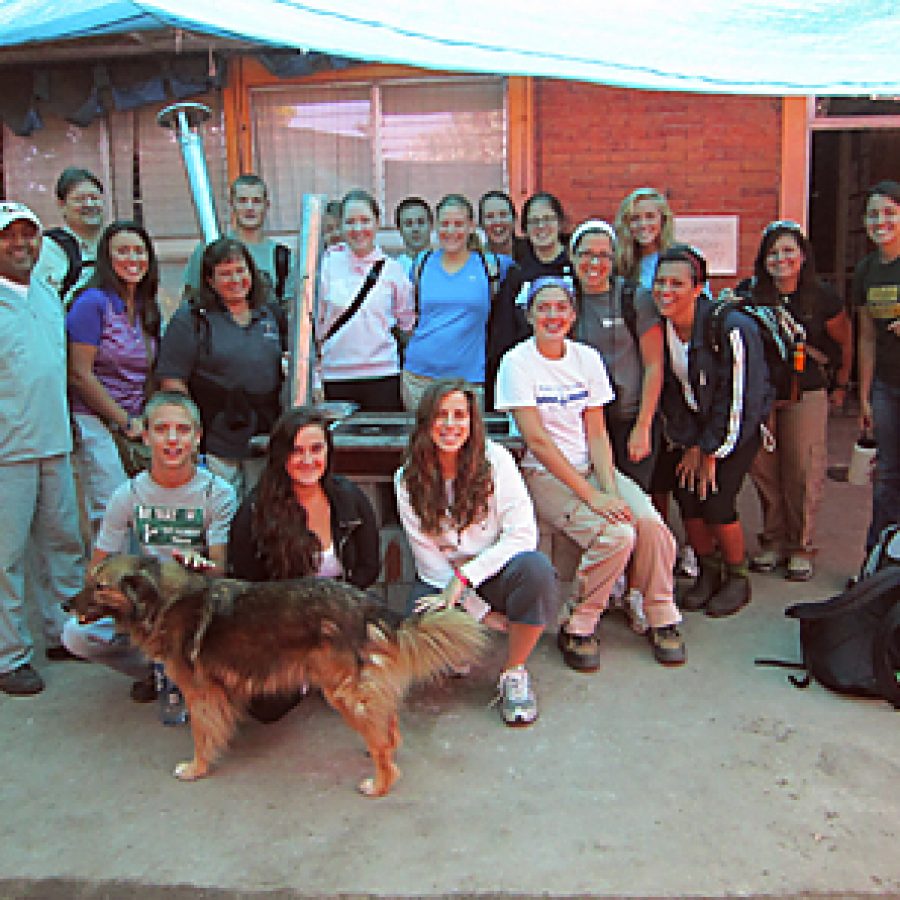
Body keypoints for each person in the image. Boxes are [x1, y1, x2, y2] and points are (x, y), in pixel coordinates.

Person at [495, 277, 685, 671]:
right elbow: (538, 441)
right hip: (544, 475)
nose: (553, 316)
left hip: (594, 469)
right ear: (529, 314)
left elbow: (596, 431)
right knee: (616, 535)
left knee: (649, 524)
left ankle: (659, 611)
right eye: (543, 308)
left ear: (573, 314)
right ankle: (578, 621)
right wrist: (593, 498)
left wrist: (611, 489)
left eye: (561, 308)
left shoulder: (586, 358)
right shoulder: (517, 362)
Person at [395, 379, 558, 725]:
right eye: (441, 415)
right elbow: (430, 565)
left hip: (492, 571)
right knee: (422, 623)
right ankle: (467, 641)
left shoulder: (495, 460)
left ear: (472, 422)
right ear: (425, 422)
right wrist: (481, 612)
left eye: (460, 415)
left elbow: (523, 534)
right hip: (444, 580)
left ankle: (514, 671)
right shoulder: (407, 479)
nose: (450, 425)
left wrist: (467, 576)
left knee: (537, 571)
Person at [62, 391, 237, 699]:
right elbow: (97, 567)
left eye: (183, 430)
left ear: (197, 438)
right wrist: (113, 600)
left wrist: (199, 567)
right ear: (145, 436)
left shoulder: (218, 493)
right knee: (77, 635)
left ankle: (191, 672)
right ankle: (154, 669)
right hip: (144, 607)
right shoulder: (127, 494)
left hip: (194, 606)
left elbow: (221, 570)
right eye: (161, 429)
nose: (172, 440)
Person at [228, 405, 380, 721]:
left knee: (380, 681)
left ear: (328, 450)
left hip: (340, 614)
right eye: (296, 451)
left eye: (316, 449)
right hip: (283, 624)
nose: (308, 460)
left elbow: (368, 566)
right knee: (264, 707)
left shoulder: (349, 498)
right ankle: (308, 674)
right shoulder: (254, 512)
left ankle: (329, 668)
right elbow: (245, 590)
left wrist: (333, 614)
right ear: (280, 456)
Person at [653, 245, 774, 617]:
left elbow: (739, 398)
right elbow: (672, 394)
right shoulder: (663, 329)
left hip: (737, 429)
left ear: (698, 288)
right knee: (687, 495)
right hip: (695, 431)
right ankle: (708, 570)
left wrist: (709, 449)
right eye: (660, 282)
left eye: (677, 283)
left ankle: (737, 576)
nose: (666, 291)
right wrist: (690, 443)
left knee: (717, 499)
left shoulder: (732, 328)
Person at [0, 202, 85, 696]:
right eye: (8, 236)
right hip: (7, 452)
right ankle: (10, 657)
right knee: (6, 559)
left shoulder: (47, 297)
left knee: (63, 544)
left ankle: (63, 633)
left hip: (54, 443)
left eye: (28, 235)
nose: (20, 244)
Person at [745, 221, 852, 581]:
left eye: (789, 251)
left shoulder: (823, 297)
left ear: (803, 256)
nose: (781, 259)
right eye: (773, 252)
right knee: (764, 469)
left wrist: (840, 385)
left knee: (803, 468)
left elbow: (844, 342)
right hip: (763, 394)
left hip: (805, 392)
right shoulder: (751, 295)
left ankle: (801, 544)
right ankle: (773, 540)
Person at [156, 237, 285, 500]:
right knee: (222, 511)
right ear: (210, 280)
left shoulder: (270, 314)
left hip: (265, 435)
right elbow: (172, 381)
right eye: (225, 274)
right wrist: (189, 434)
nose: (235, 280)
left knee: (263, 508)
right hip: (215, 438)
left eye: (241, 271)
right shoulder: (191, 320)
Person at [66, 221, 162, 532]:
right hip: (94, 422)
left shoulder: (146, 307)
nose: (132, 258)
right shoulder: (92, 303)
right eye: (122, 251)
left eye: (139, 251)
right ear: (107, 257)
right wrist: (123, 419)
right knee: (111, 514)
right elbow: (79, 374)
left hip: (132, 423)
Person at [570, 219, 664, 491]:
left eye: (603, 255)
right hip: (585, 425)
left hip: (629, 419)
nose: (594, 263)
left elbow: (654, 365)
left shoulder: (635, 298)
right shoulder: (564, 300)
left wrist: (643, 426)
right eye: (586, 254)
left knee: (632, 502)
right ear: (573, 256)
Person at [402, 193, 517, 412]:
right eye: (445, 224)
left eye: (458, 224)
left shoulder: (492, 266)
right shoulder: (422, 263)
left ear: (471, 226)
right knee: (422, 443)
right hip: (419, 376)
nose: (451, 231)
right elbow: (405, 314)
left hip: (469, 378)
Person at [316, 189, 415, 411]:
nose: (358, 229)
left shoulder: (393, 270)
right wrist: (314, 377)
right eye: (350, 222)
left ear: (377, 223)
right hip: (335, 375)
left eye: (365, 221)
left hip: (383, 375)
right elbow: (314, 325)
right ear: (340, 226)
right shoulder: (326, 266)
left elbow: (407, 322)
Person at [854, 180, 900, 557]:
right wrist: (865, 395)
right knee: (886, 473)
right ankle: (879, 558)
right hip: (886, 383)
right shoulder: (867, 269)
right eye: (873, 213)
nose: (880, 220)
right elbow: (866, 336)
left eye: (889, 212)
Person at [183, 174, 294, 310]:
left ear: (267, 205)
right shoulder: (209, 250)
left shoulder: (283, 257)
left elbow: (289, 312)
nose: (249, 208)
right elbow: (188, 302)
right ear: (232, 204)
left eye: (256, 201)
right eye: (242, 200)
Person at [33, 167, 105, 303]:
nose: (89, 205)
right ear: (62, 205)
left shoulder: (112, 244)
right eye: (79, 199)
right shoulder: (48, 249)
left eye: (94, 198)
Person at [614, 187, 676, 290]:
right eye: (635, 218)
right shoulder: (618, 262)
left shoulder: (683, 257)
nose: (643, 224)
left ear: (663, 219)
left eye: (650, 217)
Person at [516, 192, 573, 292]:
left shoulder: (575, 263)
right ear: (525, 228)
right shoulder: (517, 269)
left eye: (548, 219)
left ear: (560, 223)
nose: (541, 226)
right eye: (534, 221)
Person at [478, 190, 529, 261]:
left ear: (515, 219)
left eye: (503, 215)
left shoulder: (533, 251)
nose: (497, 222)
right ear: (481, 224)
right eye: (490, 216)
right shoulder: (476, 258)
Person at [394, 196, 433, 275]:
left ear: (431, 225)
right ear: (399, 229)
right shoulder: (392, 269)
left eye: (421, 222)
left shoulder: (445, 266)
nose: (415, 229)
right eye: (409, 224)